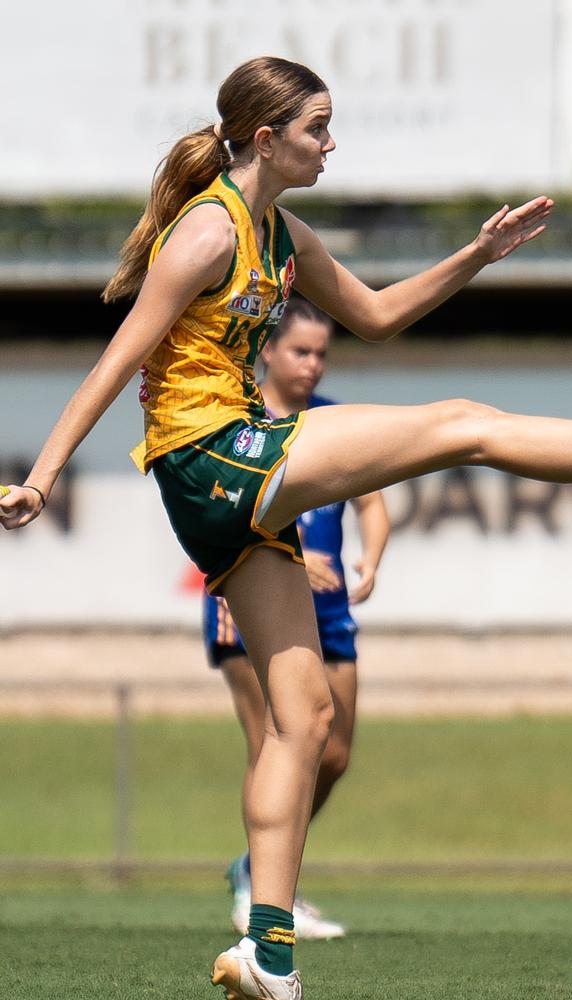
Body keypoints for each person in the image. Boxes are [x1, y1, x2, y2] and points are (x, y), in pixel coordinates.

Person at [3, 53, 572, 1000]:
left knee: (302, 721)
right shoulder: (208, 232)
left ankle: (267, 951)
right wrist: (45, 475)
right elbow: (116, 362)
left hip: (223, 480)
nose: (332, 144)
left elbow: (379, 317)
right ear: (266, 137)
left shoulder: (282, 231)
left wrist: (474, 254)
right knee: (463, 423)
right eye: (318, 128)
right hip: (215, 455)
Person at [203, 296, 390, 940]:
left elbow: (370, 502)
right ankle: (265, 898)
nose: (313, 365)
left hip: (330, 612)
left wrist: (372, 556)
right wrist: (291, 557)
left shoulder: (333, 423)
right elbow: (219, 508)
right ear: (268, 351)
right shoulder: (238, 420)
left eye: (321, 354)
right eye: (301, 351)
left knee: (331, 755)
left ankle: (254, 867)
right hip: (247, 604)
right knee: (278, 744)